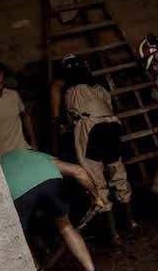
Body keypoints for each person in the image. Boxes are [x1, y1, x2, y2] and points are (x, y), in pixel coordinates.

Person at [49, 54, 136, 243]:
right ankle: (131, 222)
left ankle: (114, 234)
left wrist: (59, 131)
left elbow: (60, 108)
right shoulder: (99, 87)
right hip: (112, 124)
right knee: (117, 169)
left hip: (89, 126)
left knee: (95, 178)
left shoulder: (70, 89)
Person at [0, 148, 105, 271]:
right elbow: (78, 171)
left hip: (16, 192)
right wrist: (97, 197)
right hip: (50, 182)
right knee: (65, 226)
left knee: (20, 237)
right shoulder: (38, 156)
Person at [0, 60, 38, 156]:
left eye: (1, 82)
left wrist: (33, 142)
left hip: (22, 150)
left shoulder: (13, 95)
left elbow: (25, 117)